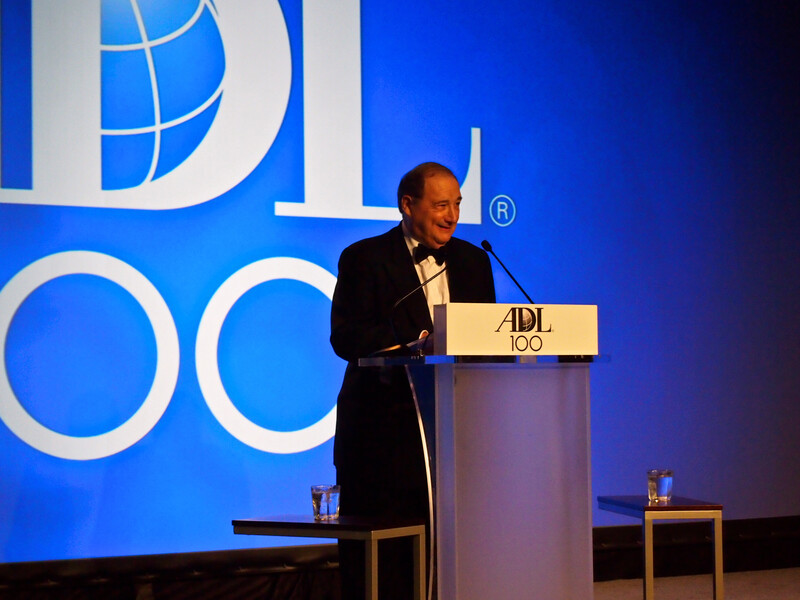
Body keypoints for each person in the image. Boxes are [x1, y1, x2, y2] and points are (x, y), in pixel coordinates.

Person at [330, 162, 496, 598]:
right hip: (383, 438)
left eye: (457, 204)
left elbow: (486, 341)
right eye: (441, 204)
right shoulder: (364, 258)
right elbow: (347, 337)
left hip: (454, 437)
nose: (452, 215)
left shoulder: (474, 261)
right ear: (408, 205)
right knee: (384, 569)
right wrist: (416, 340)